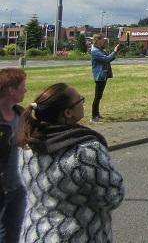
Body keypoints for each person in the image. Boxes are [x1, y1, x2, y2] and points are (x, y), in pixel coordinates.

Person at [17, 83, 125, 242]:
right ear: (68, 113)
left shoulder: (28, 145)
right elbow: (113, 196)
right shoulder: (85, 152)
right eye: (80, 100)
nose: (83, 102)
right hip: (76, 235)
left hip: (35, 234)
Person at [0, 68, 27, 243]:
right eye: (23, 87)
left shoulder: (20, 114)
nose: (25, 90)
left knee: (15, 233)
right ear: (11, 90)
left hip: (17, 186)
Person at [90, 33, 120, 123]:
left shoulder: (100, 50)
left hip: (103, 75)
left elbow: (109, 58)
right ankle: (94, 117)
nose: (104, 41)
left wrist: (116, 52)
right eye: (103, 39)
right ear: (98, 40)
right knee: (97, 96)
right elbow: (106, 59)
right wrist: (114, 52)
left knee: (99, 96)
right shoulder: (95, 51)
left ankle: (97, 114)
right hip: (99, 75)